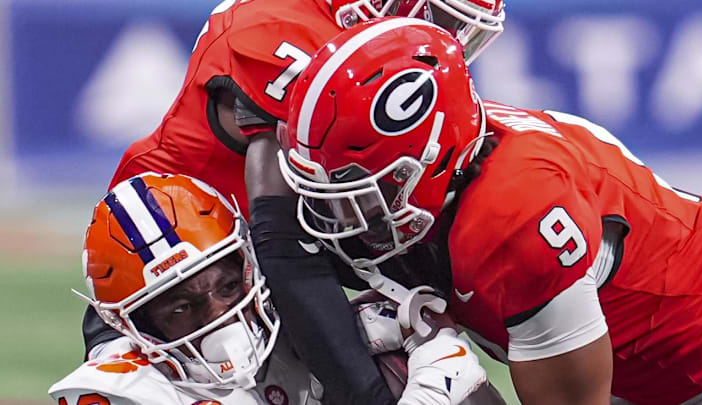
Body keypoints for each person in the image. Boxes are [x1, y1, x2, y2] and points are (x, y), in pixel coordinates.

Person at [278, 17, 702, 405]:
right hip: (647, 367)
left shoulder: (517, 218)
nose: (336, 217)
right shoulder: (459, 151)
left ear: (430, 159)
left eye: (359, 193)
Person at [83, 1, 507, 404]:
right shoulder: (281, 31)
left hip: (260, 264)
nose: (448, 41)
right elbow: (282, 241)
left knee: (418, 350)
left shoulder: (357, 48)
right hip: (177, 267)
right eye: (442, 19)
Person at [53, 172, 500, 405]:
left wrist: (435, 362)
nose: (220, 315)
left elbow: (443, 355)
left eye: (228, 285)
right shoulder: (119, 390)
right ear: (128, 323)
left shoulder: (301, 321)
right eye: (180, 308)